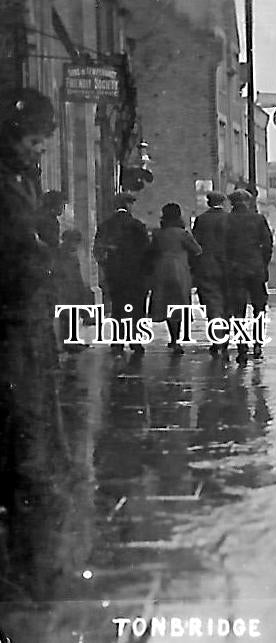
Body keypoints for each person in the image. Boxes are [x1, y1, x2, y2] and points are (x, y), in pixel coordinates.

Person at [0, 87, 64, 595]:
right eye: (37, 141)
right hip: (11, 330)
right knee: (27, 451)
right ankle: (33, 576)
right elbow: (17, 252)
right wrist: (40, 250)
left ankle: (34, 568)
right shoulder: (6, 183)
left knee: (31, 448)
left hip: (24, 329)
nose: (41, 150)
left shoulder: (17, 178)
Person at [94, 191, 151, 354]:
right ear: (127, 205)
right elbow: (146, 251)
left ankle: (118, 341)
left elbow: (98, 249)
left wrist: (105, 266)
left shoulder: (106, 225)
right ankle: (135, 341)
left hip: (115, 274)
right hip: (136, 274)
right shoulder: (137, 225)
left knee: (118, 307)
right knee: (137, 308)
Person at [224, 189, 273, 362]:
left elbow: (223, 247)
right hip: (255, 269)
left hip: (235, 270)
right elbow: (267, 245)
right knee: (259, 308)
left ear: (232, 203)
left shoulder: (227, 220)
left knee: (238, 310)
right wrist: (262, 263)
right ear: (248, 202)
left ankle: (242, 346)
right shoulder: (258, 220)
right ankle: (258, 343)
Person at [149, 203, 202, 354]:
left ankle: (172, 337)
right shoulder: (183, 234)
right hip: (180, 270)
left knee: (166, 303)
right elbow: (197, 250)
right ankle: (177, 338)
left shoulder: (158, 234)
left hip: (161, 270)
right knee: (179, 303)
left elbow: (152, 251)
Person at [191, 192, 229, 353]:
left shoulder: (201, 220)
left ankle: (216, 338)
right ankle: (225, 336)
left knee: (211, 303)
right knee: (226, 302)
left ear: (208, 202)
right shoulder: (229, 218)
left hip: (206, 267)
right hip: (227, 267)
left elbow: (195, 244)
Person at [55, 229, 94, 351]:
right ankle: (68, 343)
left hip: (71, 289)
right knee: (67, 316)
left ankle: (71, 341)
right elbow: (69, 273)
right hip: (67, 289)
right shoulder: (65, 254)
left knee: (71, 316)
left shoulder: (68, 253)